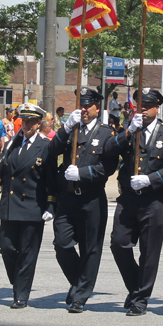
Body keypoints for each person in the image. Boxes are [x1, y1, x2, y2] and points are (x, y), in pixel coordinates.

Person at [107, 88, 163, 316]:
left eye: (147, 105)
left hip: (153, 200)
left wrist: (150, 179)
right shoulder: (129, 130)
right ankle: (135, 287)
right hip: (129, 198)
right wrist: (128, 131)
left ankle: (140, 299)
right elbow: (109, 149)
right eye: (139, 105)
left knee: (149, 252)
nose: (143, 109)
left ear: (157, 107)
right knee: (118, 243)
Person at [48, 87, 119, 313]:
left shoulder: (106, 133)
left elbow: (108, 166)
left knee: (90, 249)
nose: (84, 109)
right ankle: (80, 282)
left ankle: (80, 296)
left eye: (88, 105)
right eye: (81, 105)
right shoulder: (72, 129)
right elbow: (52, 150)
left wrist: (83, 173)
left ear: (98, 107)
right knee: (62, 244)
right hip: (67, 198)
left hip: (91, 198)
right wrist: (65, 127)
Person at [0, 103, 57, 309]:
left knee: (27, 252)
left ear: (38, 123)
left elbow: (51, 179)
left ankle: (21, 295)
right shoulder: (12, 144)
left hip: (33, 207)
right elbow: (5, 171)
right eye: (23, 120)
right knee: (6, 246)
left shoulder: (45, 146)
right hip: (10, 206)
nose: (26, 124)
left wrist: (51, 205)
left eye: (31, 121)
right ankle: (18, 280)